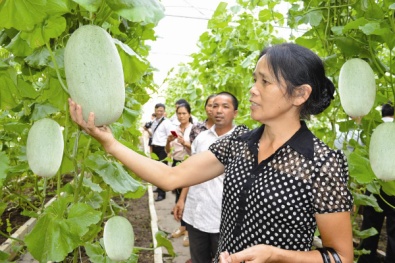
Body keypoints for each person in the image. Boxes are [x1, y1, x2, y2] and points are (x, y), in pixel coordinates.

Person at [68, 43, 354, 263]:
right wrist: (110, 143)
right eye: (255, 79)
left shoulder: (322, 163)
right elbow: (171, 177)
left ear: (300, 94)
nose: (252, 90)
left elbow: (341, 257)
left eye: (265, 82)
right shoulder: (238, 142)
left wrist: (276, 255)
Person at [173, 92, 238, 263]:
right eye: (215, 106)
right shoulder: (201, 138)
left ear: (235, 113)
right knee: (198, 259)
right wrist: (182, 199)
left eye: (225, 106)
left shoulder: (242, 142)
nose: (218, 110)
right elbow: (191, 173)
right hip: (196, 214)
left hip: (223, 219)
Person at [357, 103, 394, 263]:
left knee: (369, 228)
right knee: (394, 233)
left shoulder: (372, 127)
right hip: (393, 189)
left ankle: (365, 259)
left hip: (373, 186)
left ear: (381, 113)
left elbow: (362, 156)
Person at [165, 102, 193, 244]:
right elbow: (168, 151)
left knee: (187, 197)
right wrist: (168, 141)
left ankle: (189, 231)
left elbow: (197, 150)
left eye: (184, 113)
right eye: (179, 113)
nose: (181, 116)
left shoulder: (193, 130)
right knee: (178, 197)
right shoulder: (174, 129)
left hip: (189, 163)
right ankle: (182, 227)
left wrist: (185, 143)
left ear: (189, 114)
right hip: (176, 163)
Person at [146, 103, 174, 202]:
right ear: (155, 110)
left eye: (162, 111)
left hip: (163, 148)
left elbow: (172, 134)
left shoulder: (167, 122)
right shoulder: (154, 122)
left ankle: (162, 194)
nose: (160, 112)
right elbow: (153, 134)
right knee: (156, 170)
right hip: (155, 147)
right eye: (158, 110)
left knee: (162, 171)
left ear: (164, 111)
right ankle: (159, 188)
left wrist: (170, 149)